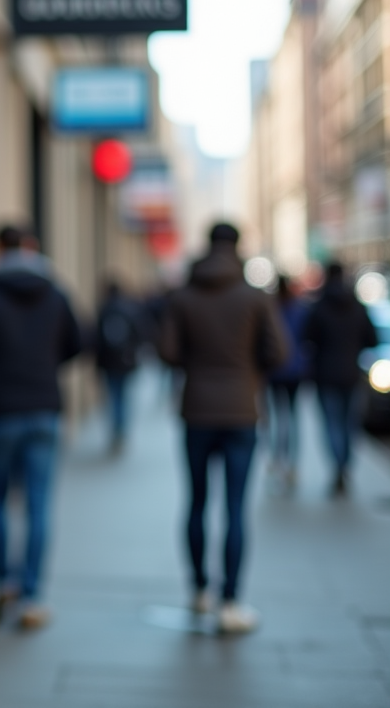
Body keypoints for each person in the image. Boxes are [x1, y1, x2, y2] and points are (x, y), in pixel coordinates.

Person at [158, 222, 287, 634]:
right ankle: (230, 602)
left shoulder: (184, 297)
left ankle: (198, 591)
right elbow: (280, 351)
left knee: (196, 502)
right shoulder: (254, 298)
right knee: (235, 508)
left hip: (196, 410)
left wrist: (196, 367)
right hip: (240, 413)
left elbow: (168, 351)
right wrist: (249, 374)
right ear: (237, 247)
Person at [0, 225, 82, 630]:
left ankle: (2, 584)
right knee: (39, 504)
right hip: (44, 407)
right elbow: (79, 342)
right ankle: (32, 597)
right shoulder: (55, 291)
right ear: (32, 248)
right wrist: (44, 369)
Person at [302, 262, 378, 497]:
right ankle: (345, 465)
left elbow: (307, 338)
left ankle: (339, 466)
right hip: (351, 375)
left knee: (332, 424)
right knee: (349, 424)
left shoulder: (319, 307)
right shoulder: (357, 307)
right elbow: (371, 339)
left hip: (326, 375)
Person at [266, 275, 309, 490]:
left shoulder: (271, 310)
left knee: (277, 417)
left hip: (276, 372)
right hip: (295, 371)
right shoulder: (299, 310)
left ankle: (277, 461)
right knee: (292, 418)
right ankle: (292, 464)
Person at [94, 280, 146, 452]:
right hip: (126, 361)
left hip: (109, 363)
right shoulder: (130, 309)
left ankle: (116, 430)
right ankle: (122, 429)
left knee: (113, 396)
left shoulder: (104, 309)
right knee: (124, 396)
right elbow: (141, 333)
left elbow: (96, 340)